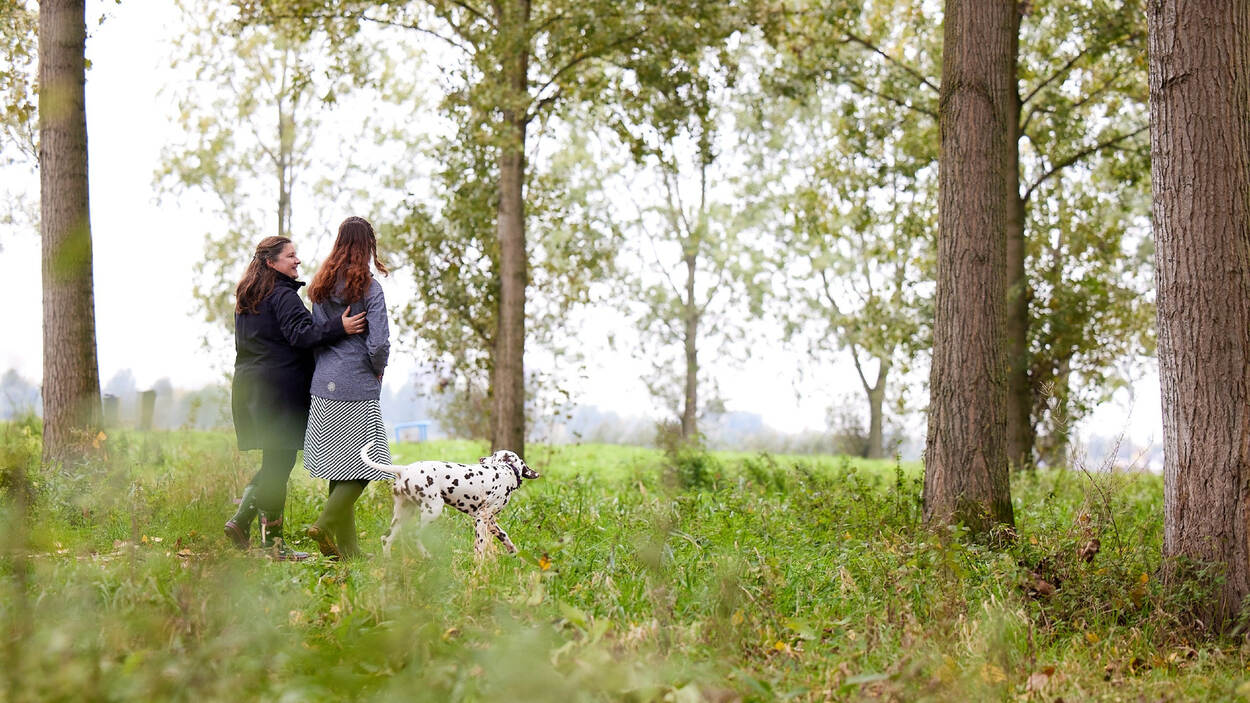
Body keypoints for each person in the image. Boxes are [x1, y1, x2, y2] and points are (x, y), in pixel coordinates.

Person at [225, 236, 367, 560]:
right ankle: (272, 546)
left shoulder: (249, 297)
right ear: (271, 263)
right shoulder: (283, 295)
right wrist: (339, 326)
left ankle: (243, 521)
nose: (297, 261)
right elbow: (301, 335)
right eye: (290, 256)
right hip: (277, 392)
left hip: (249, 390)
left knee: (275, 462)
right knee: (279, 463)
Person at [303, 216, 394, 559]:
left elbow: (315, 335)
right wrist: (377, 371)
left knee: (340, 466)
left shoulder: (321, 287)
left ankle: (346, 551)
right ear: (368, 246)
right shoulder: (370, 289)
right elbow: (379, 343)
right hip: (357, 386)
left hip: (323, 385)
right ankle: (324, 525)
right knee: (369, 464)